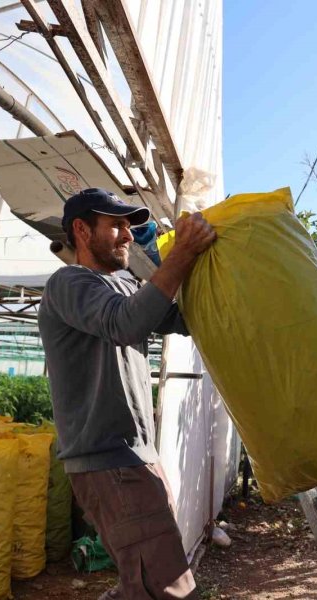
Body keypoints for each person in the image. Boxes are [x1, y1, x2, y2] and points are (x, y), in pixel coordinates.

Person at [38, 187, 215, 599]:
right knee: (167, 588)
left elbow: (182, 318)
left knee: (145, 580)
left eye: (129, 226)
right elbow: (125, 325)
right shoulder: (69, 283)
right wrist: (181, 255)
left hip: (133, 457)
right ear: (81, 230)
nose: (128, 235)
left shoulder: (120, 285)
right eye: (116, 224)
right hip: (109, 461)